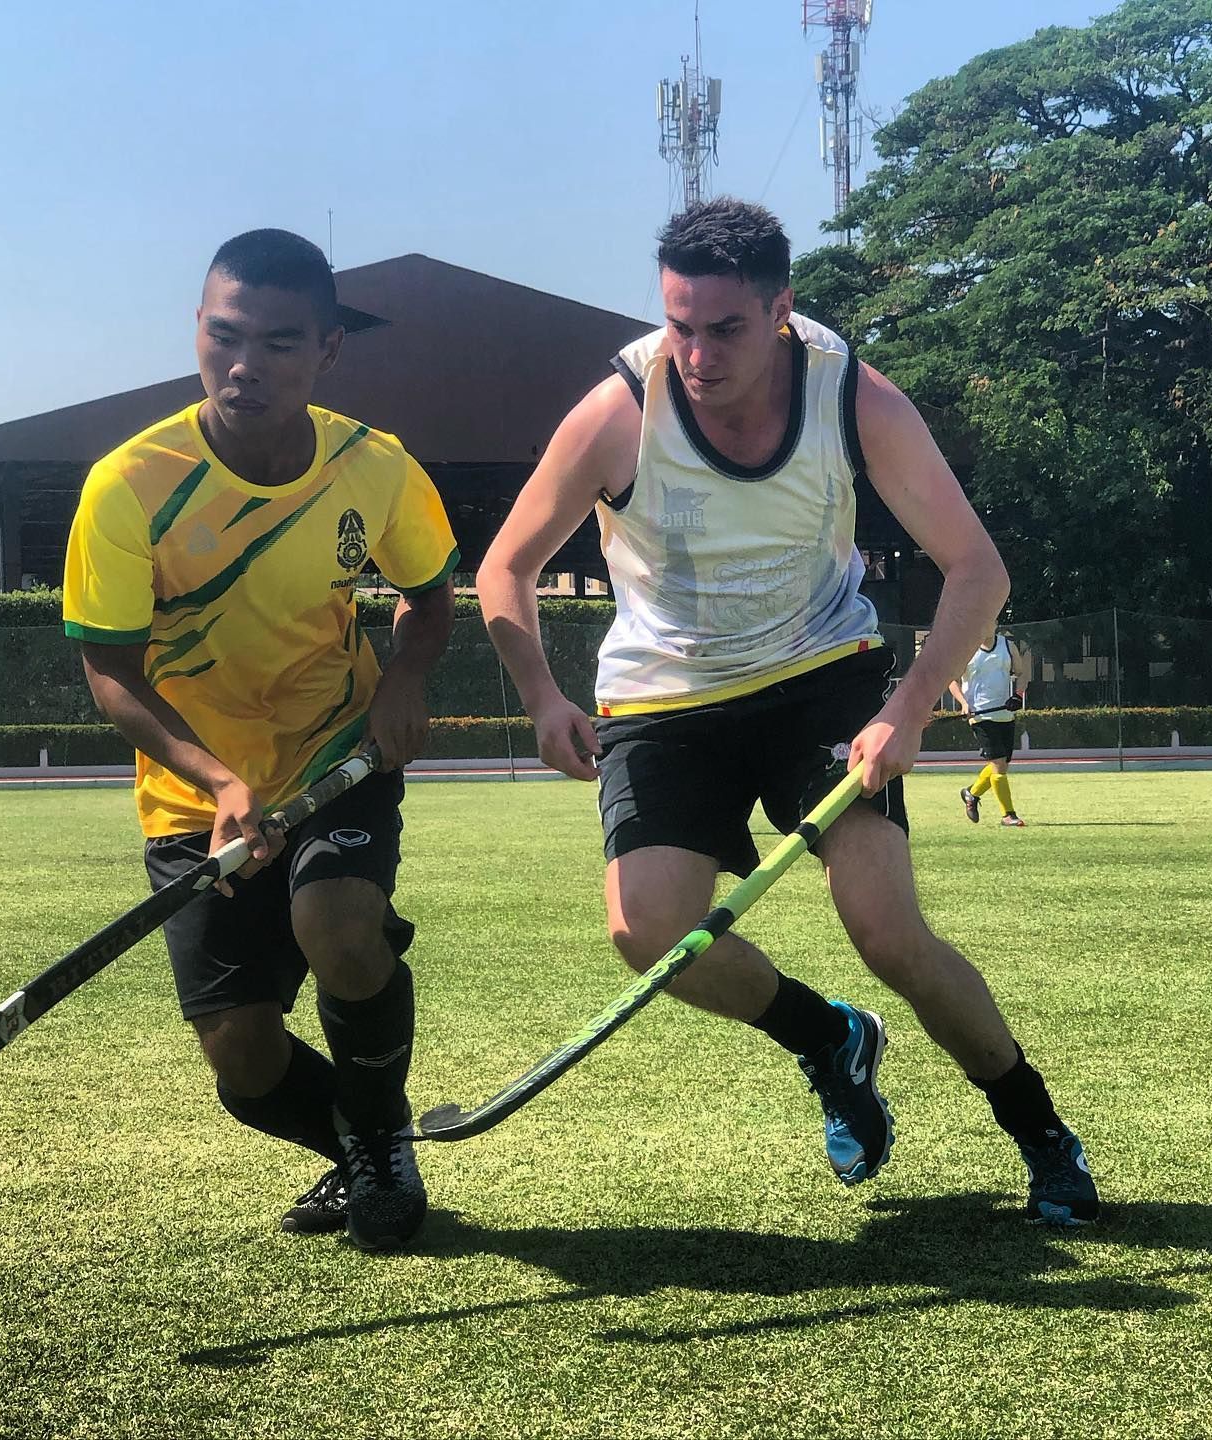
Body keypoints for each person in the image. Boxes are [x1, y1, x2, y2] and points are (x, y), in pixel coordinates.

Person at [476, 197, 1098, 1225]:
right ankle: (829, 1039)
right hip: (663, 697)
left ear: (780, 311)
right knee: (648, 931)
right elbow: (505, 568)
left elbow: (977, 569)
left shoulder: (852, 397)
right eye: (679, 325)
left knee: (888, 932)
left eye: (725, 329)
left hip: (821, 675)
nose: (697, 355)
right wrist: (542, 697)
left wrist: (908, 709)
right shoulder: (618, 411)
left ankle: (1041, 1133)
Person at [62, 228, 459, 1251]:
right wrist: (218, 780)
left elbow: (429, 598)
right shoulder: (128, 484)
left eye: (280, 343)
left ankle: (382, 1139)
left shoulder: (374, 466)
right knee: (240, 1057)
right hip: (197, 797)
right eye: (225, 336)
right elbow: (112, 672)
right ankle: (357, 1143)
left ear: (327, 350)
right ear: (196, 329)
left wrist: (405, 679)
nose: (245, 366)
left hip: (337, 759)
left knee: (339, 927)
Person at [950, 627, 1028, 827]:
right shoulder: (966, 648)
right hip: (980, 716)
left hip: (1005, 714)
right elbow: (952, 680)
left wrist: (1018, 695)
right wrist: (963, 703)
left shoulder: (1008, 646)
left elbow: (1022, 673)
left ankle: (972, 793)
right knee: (999, 765)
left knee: (1000, 766)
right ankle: (1008, 815)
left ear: (995, 623)